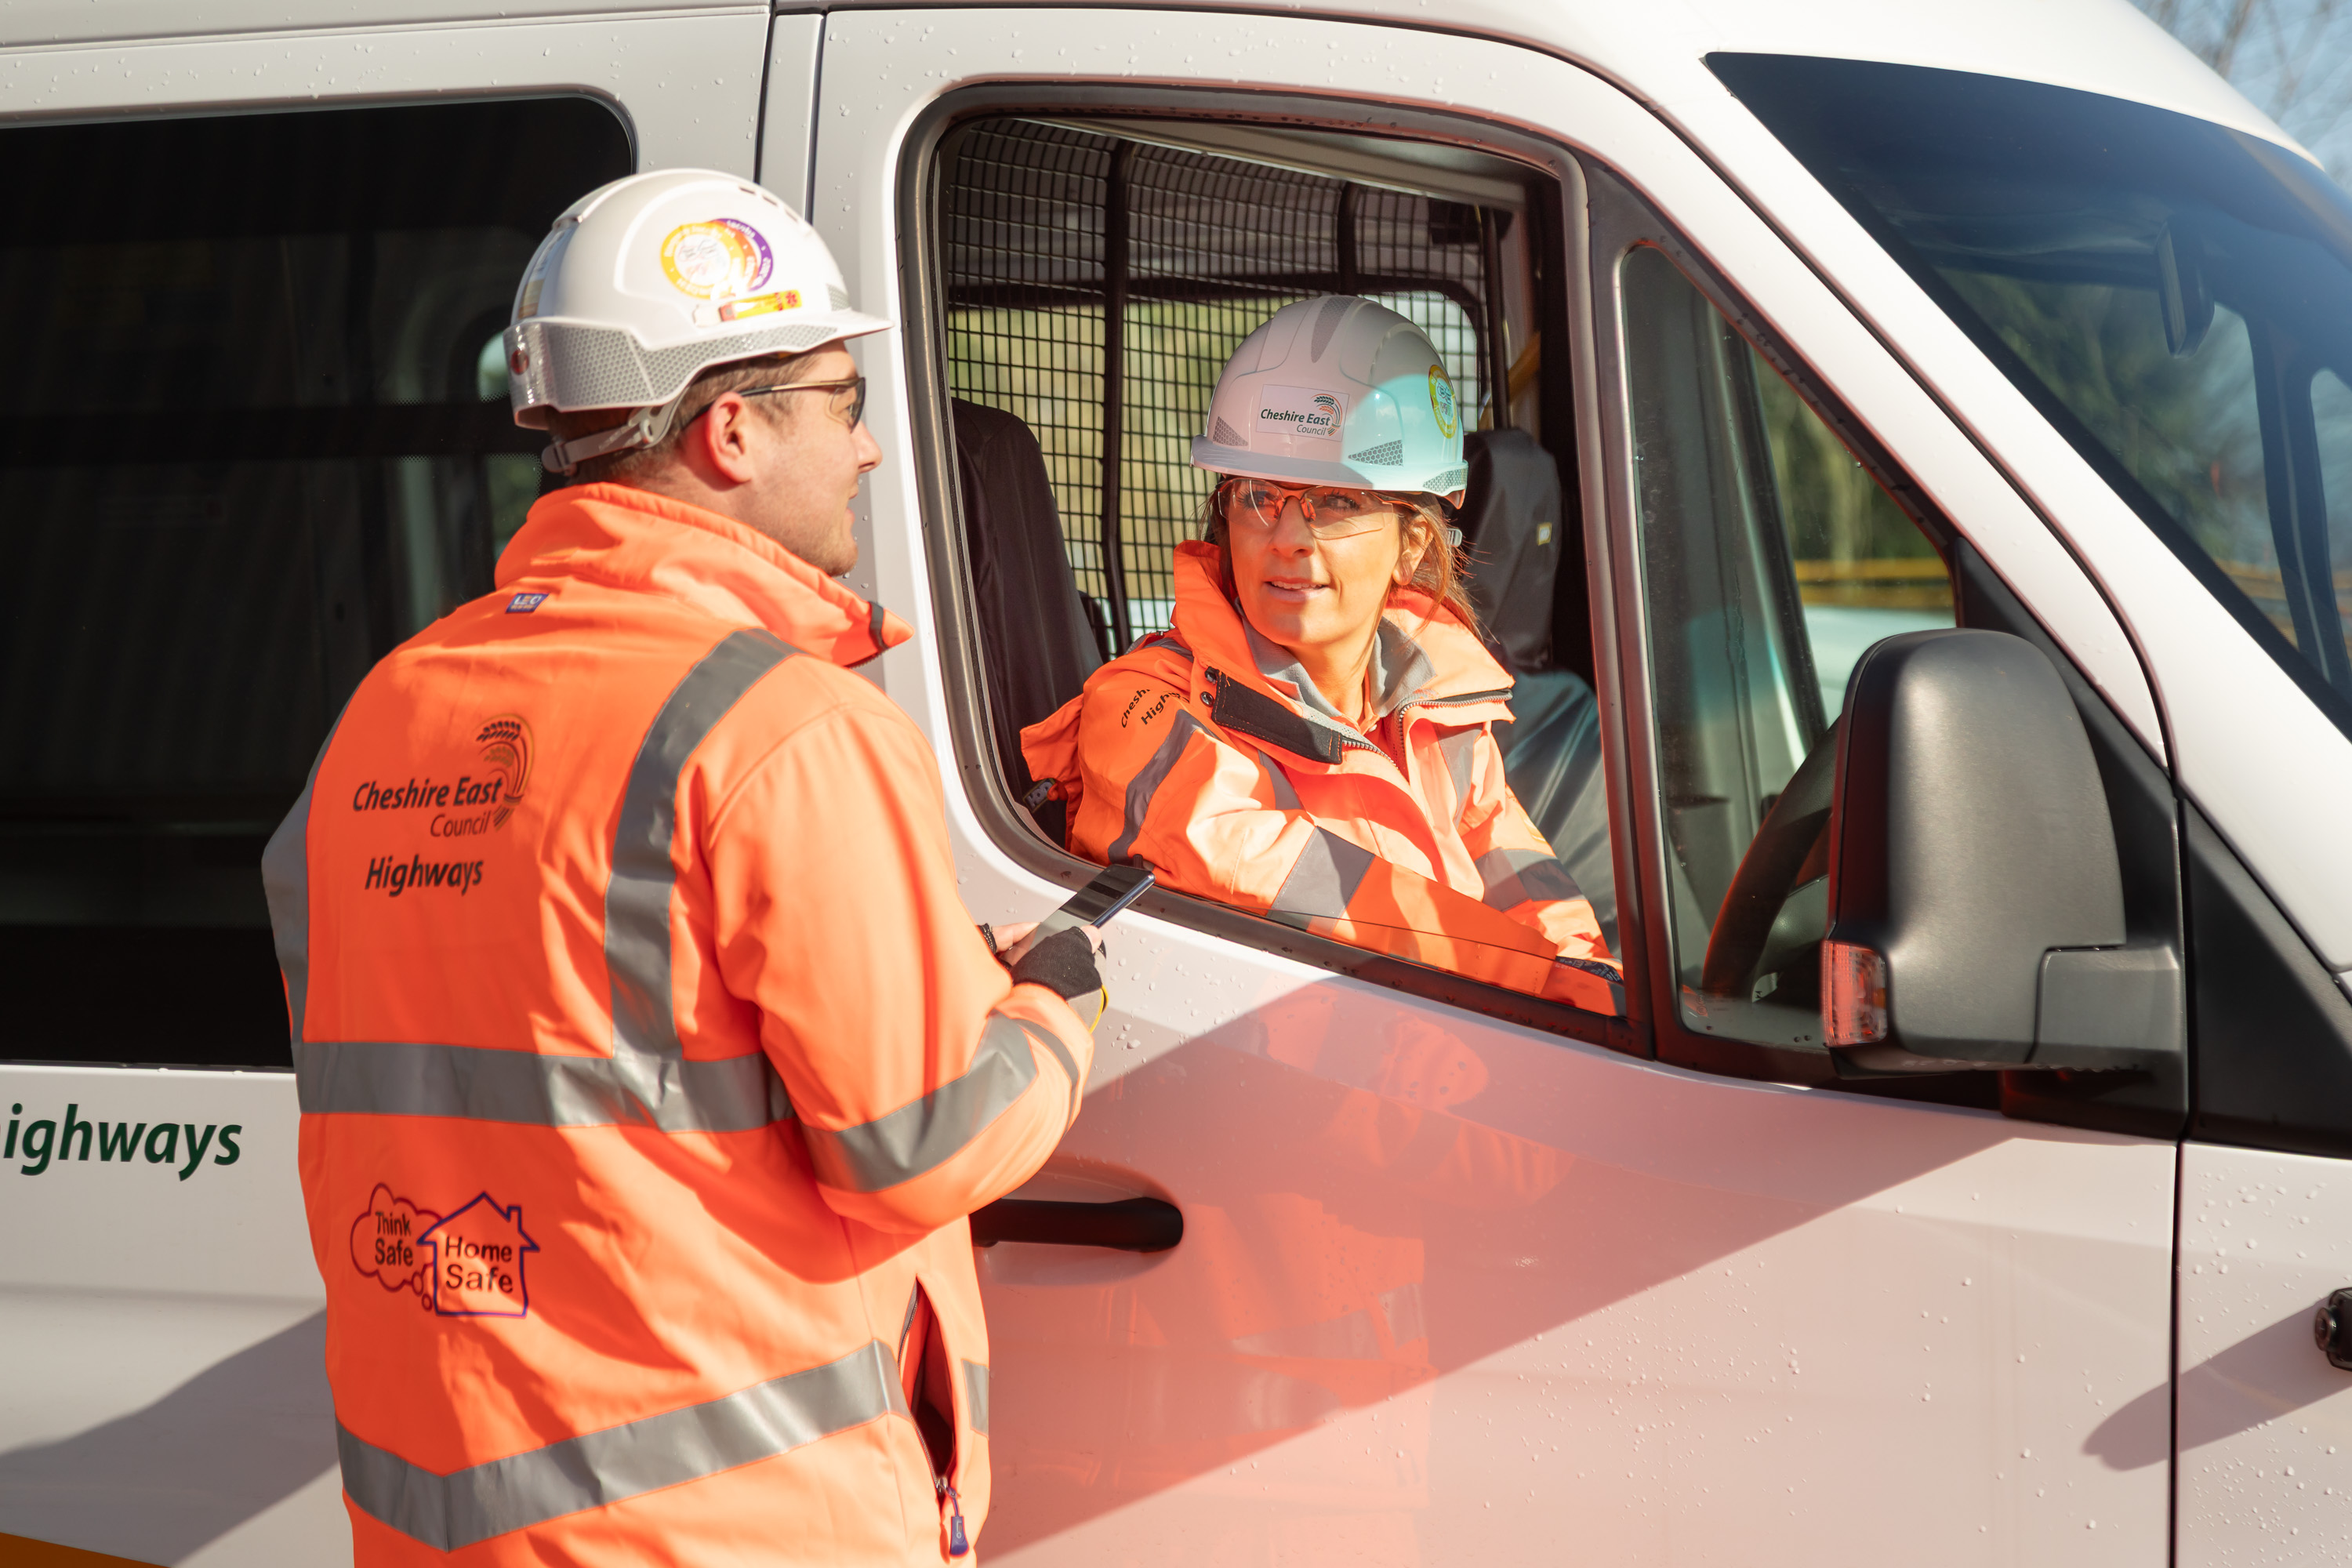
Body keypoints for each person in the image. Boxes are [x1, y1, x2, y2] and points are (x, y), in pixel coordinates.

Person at [263, 169, 1102, 1566]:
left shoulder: (383, 713)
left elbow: (556, 1040)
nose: (871, 448)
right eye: (842, 400)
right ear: (730, 431)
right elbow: (927, 1143)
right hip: (731, 1533)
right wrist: (1051, 1015)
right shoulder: (787, 728)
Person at [1022, 296, 1617, 1014]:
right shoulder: (1145, 706)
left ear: (1414, 546)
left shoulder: (1442, 715)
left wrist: (1601, 1005)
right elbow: (1275, 879)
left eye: (1335, 501)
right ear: (1226, 520)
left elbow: (1535, 896)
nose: (1289, 537)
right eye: (1260, 495)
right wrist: (1547, 992)